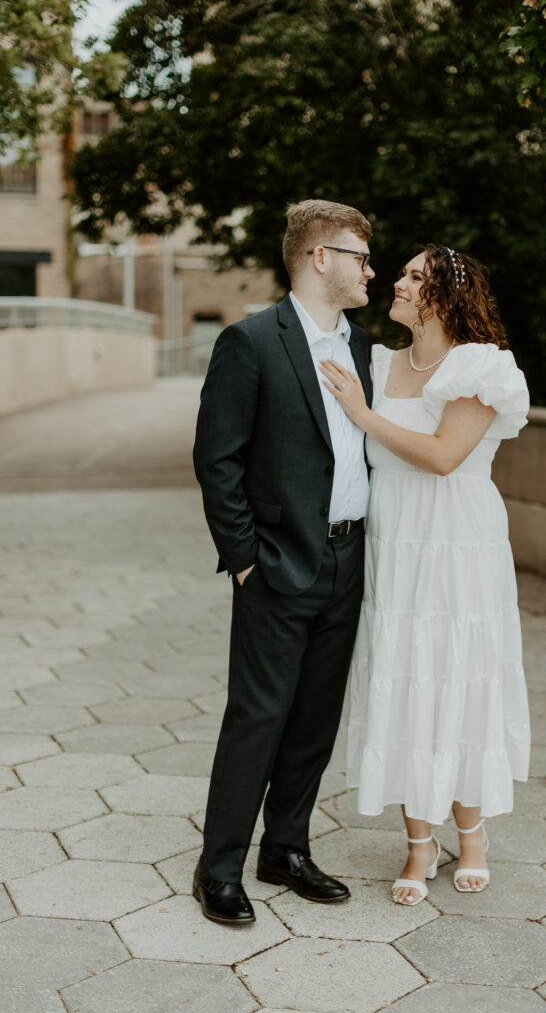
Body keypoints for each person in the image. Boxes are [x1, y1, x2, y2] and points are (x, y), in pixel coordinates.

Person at [321, 243, 530, 905]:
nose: (399, 283)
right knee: (402, 679)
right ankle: (417, 844)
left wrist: (362, 416)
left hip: (458, 541)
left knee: (459, 678)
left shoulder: (479, 366)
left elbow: (443, 456)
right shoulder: (379, 364)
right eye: (403, 273)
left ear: (445, 294)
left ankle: (471, 837)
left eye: (416, 276)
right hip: (397, 542)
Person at [191, 199, 375, 925]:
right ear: (318, 257)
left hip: (348, 557)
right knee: (258, 715)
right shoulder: (250, 342)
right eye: (360, 255)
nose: (370, 269)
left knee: (314, 718)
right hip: (275, 562)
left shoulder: (362, 348)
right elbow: (218, 459)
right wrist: (244, 560)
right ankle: (221, 868)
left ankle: (286, 849)